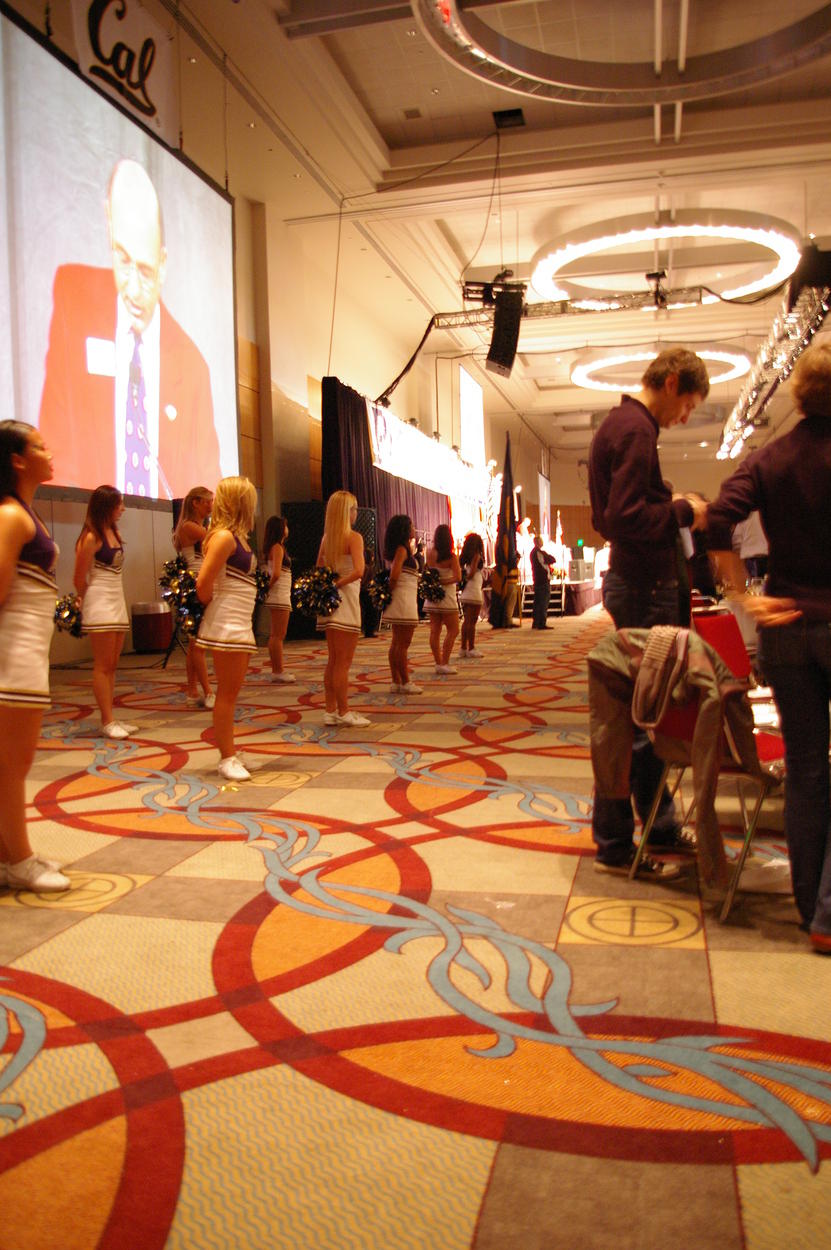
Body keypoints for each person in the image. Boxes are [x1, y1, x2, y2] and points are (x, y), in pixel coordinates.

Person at [705, 342, 831, 954]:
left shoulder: (772, 458)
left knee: (807, 772)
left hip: (785, 630)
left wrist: (742, 596)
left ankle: (814, 911)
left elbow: (714, 520)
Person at [587, 346, 710, 878]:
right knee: (644, 717)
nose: (684, 417)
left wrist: (667, 499)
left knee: (636, 715)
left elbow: (611, 514)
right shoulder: (636, 429)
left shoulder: (619, 424)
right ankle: (626, 839)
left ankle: (648, 829)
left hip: (633, 583)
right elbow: (623, 516)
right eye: (688, 405)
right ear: (673, 380)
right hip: (643, 586)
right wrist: (681, 509)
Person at [38, 159, 221, 498]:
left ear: (163, 264)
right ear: (109, 231)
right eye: (122, 260)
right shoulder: (72, 301)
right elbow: (55, 453)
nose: (133, 289)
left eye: (146, 271)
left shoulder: (193, 368)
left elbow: (208, 492)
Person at [0, 422, 71, 892]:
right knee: (13, 763)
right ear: (17, 460)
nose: (51, 451)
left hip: (26, 652)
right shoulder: (11, 516)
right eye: (40, 446)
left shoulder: (25, 512)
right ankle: (19, 859)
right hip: (13, 655)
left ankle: (11, 852)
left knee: (13, 761)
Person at [195, 476, 258, 781]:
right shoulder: (223, 537)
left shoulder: (237, 536)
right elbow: (203, 585)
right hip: (227, 623)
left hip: (239, 621)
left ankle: (229, 748)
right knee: (227, 694)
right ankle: (226, 757)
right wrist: (216, 613)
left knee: (231, 692)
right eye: (249, 498)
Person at [74, 485, 137, 740]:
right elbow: (79, 578)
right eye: (118, 504)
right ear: (106, 507)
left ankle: (111, 716)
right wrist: (85, 599)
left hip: (116, 598)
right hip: (99, 600)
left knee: (112, 664)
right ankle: (107, 719)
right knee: (102, 665)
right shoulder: (90, 537)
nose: (122, 508)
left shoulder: (114, 531)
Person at [316, 491, 371, 727]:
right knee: (343, 663)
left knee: (333, 660)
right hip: (346, 602)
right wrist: (338, 584)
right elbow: (360, 570)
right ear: (346, 512)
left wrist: (329, 585)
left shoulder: (327, 539)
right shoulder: (354, 538)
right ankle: (344, 710)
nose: (355, 513)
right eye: (353, 509)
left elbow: (318, 569)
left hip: (329, 605)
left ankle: (330, 710)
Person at [172, 486, 215, 708]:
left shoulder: (197, 526)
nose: (211, 506)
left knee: (194, 642)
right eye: (207, 501)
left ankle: (192, 690)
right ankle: (208, 691)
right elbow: (215, 541)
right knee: (198, 642)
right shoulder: (190, 527)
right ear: (195, 503)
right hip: (195, 585)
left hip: (199, 582)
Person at [382, 514, 422, 694]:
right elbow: (395, 575)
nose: (414, 528)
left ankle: (396, 681)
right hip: (404, 600)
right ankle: (405, 681)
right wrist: (388, 591)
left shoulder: (401, 549)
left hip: (402, 599)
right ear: (405, 530)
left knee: (396, 643)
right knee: (402, 644)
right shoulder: (402, 550)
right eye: (411, 525)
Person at [262, 515, 295, 684]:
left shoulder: (274, 547)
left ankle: (277, 669)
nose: (287, 529)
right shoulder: (277, 548)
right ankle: (278, 670)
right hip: (279, 594)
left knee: (276, 634)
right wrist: (267, 588)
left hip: (279, 593)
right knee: (278, 635)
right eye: (285, 526)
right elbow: (275, 573)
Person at [426, 523, 461, 675]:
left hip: (432, 596)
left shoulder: (429, 553)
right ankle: (444, 662)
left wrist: (435, 583)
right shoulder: (452, 557)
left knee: (435, 631)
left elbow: (429, 572)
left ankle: (438, 661)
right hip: (447, 597)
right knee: (453, 629)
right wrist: (443, 582)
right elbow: (457, 577)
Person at [458, 532, 485, 657]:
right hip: (474, 590)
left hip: (467, 590)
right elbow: (473, 572)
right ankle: (471, 648)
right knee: (472, 621)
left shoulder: (466, 558)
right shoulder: (477, 555)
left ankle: (463, 647)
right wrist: (468, 577)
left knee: (466, 621)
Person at [530, 534, 555, 629]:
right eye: (541, 540)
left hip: (538, 580)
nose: (542, 542)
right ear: (538, 542)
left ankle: (536, 622)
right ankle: (541, 623)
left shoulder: (535, 552)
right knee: (543, 602)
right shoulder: (538, 552)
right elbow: (551, 559)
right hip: (542, 580)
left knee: (537, 602)